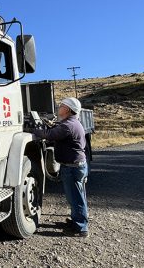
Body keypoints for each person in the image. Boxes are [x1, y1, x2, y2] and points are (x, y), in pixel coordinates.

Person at [33, 97, 89, 237]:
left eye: (62, 105)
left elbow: (49, 135)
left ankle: (81, 228)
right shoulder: (72, 123)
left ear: (68, 110)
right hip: (76, 166)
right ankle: (76, 221)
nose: (59, 107)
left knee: (76, 198)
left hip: (72, 168)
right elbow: (57, 131)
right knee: (76, 196)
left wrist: (34, 130)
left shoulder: (68, 126)